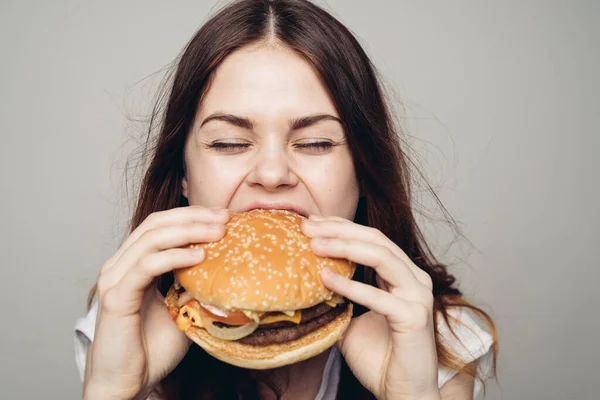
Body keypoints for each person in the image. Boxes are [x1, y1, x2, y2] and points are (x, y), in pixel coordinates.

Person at [74, 0, 498, 399]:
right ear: (183, 173)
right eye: (228, 143)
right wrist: (114, 390)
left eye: (315, 143)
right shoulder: (126, 324)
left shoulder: (439, 337)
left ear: (364, 170)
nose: (272, 174)